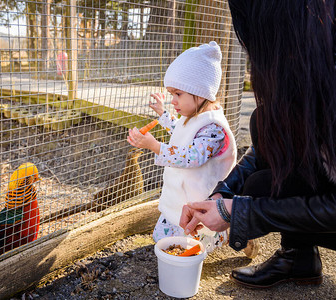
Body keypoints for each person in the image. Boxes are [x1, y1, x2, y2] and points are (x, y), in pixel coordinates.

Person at [179, 0, 336, 289]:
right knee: (263, 135)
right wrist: (223, 193)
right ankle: (298, 259)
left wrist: (241, 213)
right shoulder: (306, 72)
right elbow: (263, 153)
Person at [127, 41, 238, 254]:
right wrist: (162, 114)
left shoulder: (213, 127)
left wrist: (155, 146)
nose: (173, 100)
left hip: (201, 199)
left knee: (196, 244)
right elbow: (181, 131)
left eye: (178, 94)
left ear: (199, 91)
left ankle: (233, 237)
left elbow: (192, 156)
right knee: (162, 237)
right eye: (171, 94)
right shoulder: (195, 117)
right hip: (181, 197)